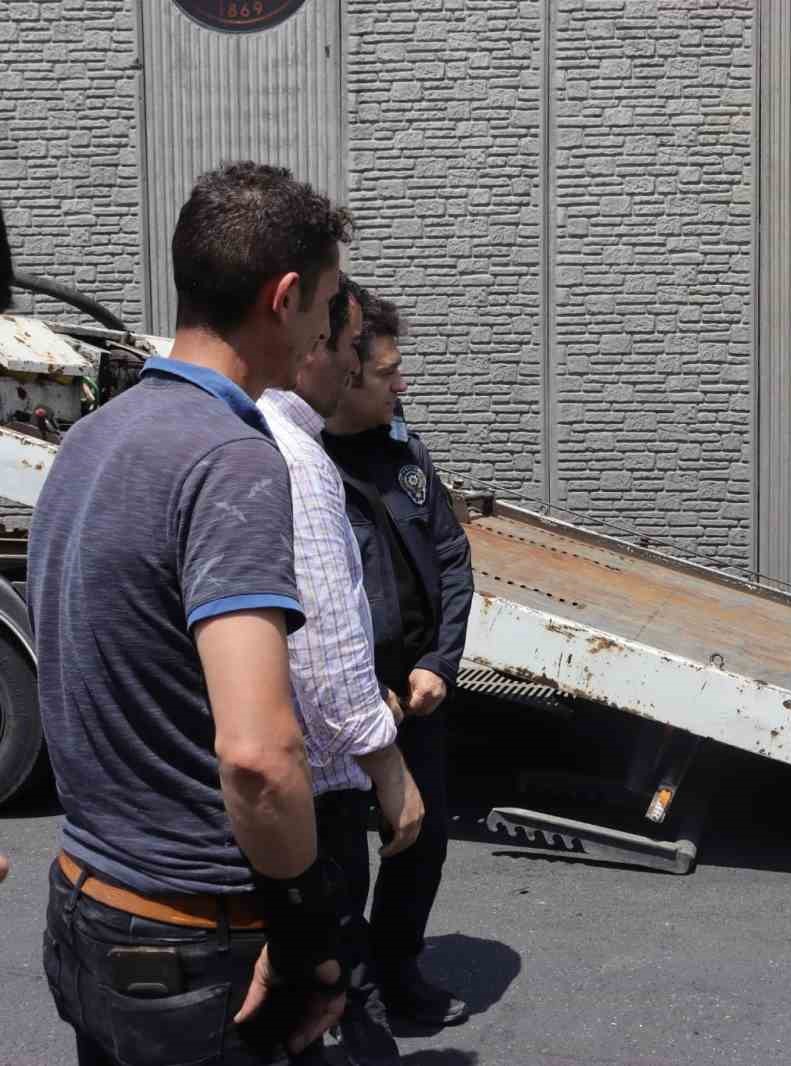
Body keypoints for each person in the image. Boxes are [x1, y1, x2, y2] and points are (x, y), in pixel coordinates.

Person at [28, 162, 352, 1065]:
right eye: (328, 304)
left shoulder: (96, 435)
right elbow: (257, 757)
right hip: (194, 948)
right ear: (283, 297)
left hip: (86, 908)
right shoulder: (232, 460)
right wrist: (300, 942)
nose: (331, 331)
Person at [258, 276, 425, 1065]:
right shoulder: (297, 456)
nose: (366, 368)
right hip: (316, 793)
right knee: (332, 986)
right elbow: (323, 645)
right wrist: (388, 768)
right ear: (313, 343)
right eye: (356, 347)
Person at [324, 287, 473, 1027]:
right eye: (389, 373)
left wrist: (439, 664)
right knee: (342, 860)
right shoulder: (304, 466)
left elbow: (451, 558)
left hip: (416, 694)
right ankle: (349, 994)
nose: (402, 385)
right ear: (347, 377)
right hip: (347, 706)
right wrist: (362, 691)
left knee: (425, 842)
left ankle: (396, 966)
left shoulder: (404, 451)